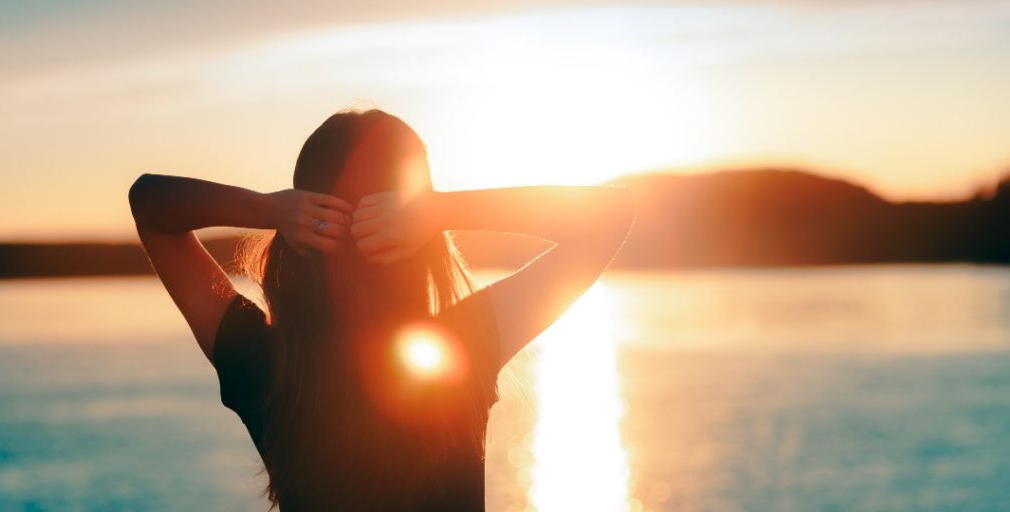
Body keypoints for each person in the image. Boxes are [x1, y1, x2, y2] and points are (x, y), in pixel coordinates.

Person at [128, 108, 635, 510]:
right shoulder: (461, 346)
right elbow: (608, 215)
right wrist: (440, 211)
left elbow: (150, 205)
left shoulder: (261, 358)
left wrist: (268, 210)